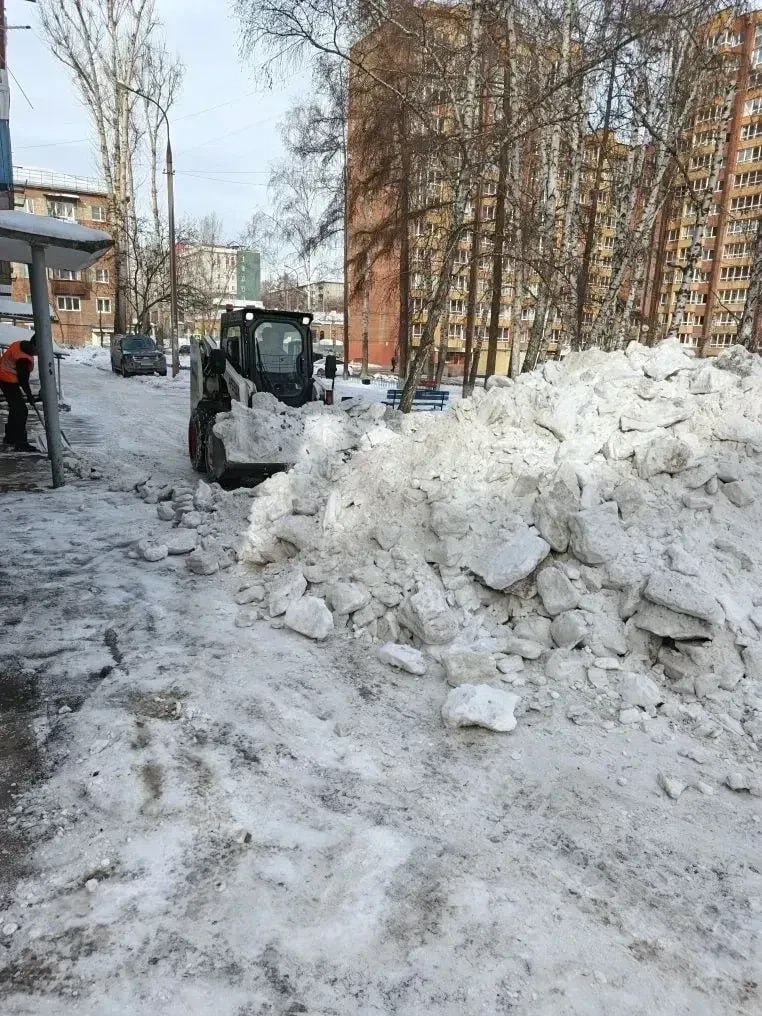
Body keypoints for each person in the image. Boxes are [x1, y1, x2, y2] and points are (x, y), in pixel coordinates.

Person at [0, 335, 39, 452]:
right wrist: (30, 396)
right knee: (21, 411)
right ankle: (21, 443)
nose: (38, 353)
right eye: (39, 350)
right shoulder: (23, 358)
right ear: (34, 345)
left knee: (15, 408)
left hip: (4, 376)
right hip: (7, 380)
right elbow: (23, 380)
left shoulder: (20, 344)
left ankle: (10, 438)